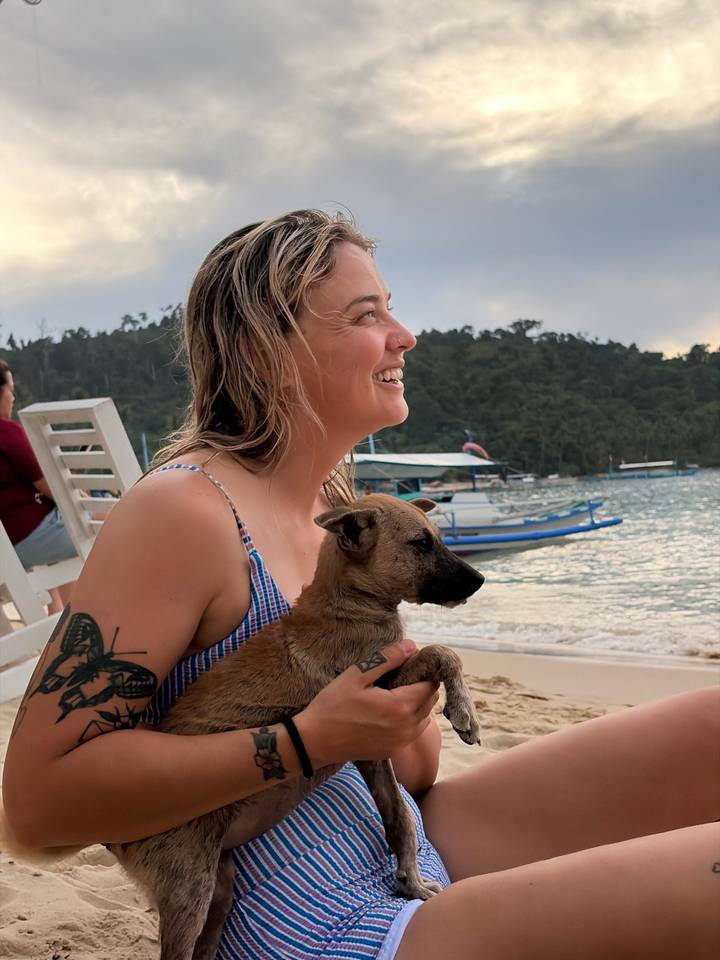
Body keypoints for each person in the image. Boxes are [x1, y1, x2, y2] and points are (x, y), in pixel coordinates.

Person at [2, 210, 718, 960]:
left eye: (390, 308)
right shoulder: (186, 510)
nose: (404, 335)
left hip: (396, 851)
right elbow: (38, 806)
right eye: (366, 315)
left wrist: (387, 708)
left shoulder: (339, 511)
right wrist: (302, 741)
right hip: (324, 928)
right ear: (267, 350)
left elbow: (415, 768)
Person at [0, 360, 77, 614]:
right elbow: (51, 487)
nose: (13, 397)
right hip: (26, 541)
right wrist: (78, 493)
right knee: (113, 520)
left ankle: (64, 617)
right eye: (11, 390)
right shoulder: (6, 433)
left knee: (66, 547)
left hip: (11, 546)